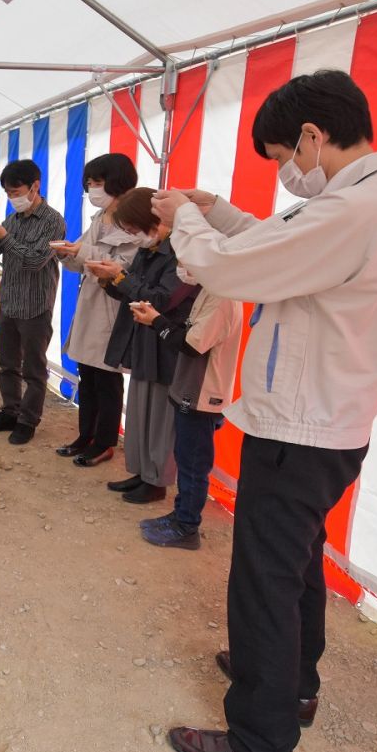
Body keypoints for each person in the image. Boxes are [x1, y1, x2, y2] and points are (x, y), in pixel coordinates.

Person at [152, 70, 377, 752]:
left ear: (312, 134)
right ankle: (292, 682)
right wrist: (218, 208)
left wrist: (184, 214)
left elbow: (228, 268)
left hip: (301, 427)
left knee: (265, 581)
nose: (286, 174)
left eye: (282, 158)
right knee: (298, 565)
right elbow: (277, 242)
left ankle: (260, 742)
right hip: (332, 420)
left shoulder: (353, 211)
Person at [91, 188, 198, 504]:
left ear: (155, 221)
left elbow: (163, 300)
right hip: (142, 340)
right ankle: (141, 472)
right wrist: (109, 279)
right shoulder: (149, 249)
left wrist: (121, 277)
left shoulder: (181, 252)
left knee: (161, 420)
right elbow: (130, 293)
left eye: (135, 228)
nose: (133, 236)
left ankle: (157, 481)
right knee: (139, 413)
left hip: (166, 344)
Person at [130, 263, 242, 549]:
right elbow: (188, 333)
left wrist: (156, 321)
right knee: (186, 458)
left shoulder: (222, 298)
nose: (182, 266)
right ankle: (181, 516)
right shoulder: (210, 291)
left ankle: (187, 526)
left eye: (188, 259)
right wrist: (157, 320)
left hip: (202, 394)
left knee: (193, 464)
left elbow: (192, 345)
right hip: (191, 388)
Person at [51, 153, 140, 467]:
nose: (92, 190)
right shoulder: (99, 218)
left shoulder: (134, 219)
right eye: (89, 184)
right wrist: (67, 253)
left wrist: (83, 251)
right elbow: (83, 259)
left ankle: (104, 441)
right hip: (90, 303)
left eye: (98, 183)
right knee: (86, 374)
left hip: (112, 307)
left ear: (117, 182)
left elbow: (123, 265)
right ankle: (84, 435)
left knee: (107, 378)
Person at [0, 159, 66, 445]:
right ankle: (10, 411)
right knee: (7, 364)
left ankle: (28, 420)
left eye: (16, 191)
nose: (13, 197)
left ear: (35, 186)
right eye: (8, 193)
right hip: (10, 302)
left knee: (34, 370)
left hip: (36, 305)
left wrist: (6, 238)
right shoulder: (12, 220)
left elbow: (37, 260)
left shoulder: (53, 221)